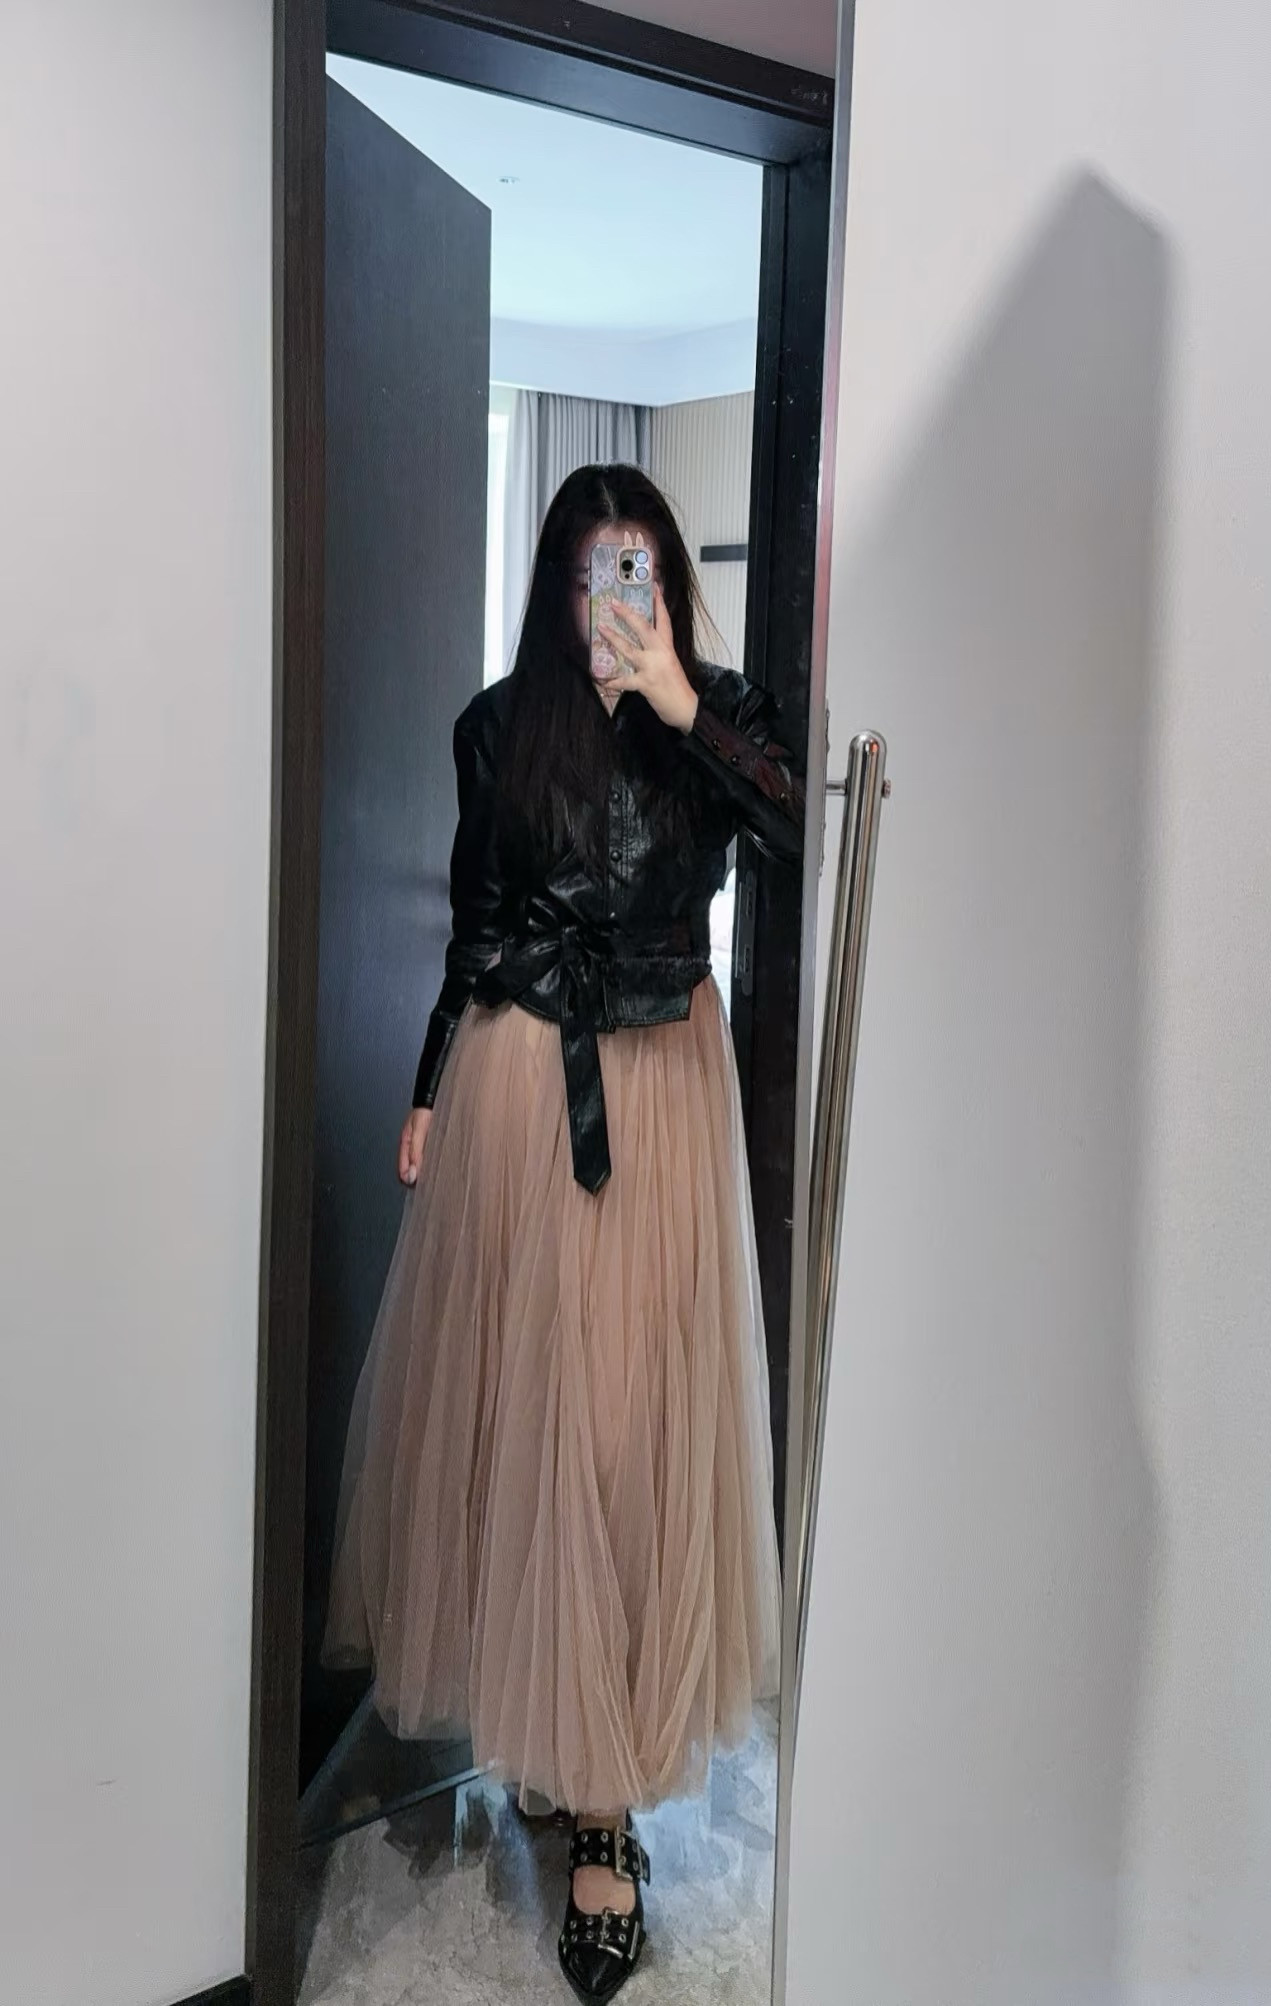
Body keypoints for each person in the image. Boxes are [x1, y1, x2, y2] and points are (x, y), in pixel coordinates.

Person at [323, 463, 803, 2000]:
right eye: (598, 570)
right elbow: (474, 920)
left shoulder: (721, 714)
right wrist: (426, 1085)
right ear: (559, 583)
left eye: (641, 569)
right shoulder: (495, 724)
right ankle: (556, 1736)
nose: (620, 597)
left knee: (623, 1434)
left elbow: (791, 834)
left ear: (667, 582)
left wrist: (678, 702)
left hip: (659, 1090)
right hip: (523, 1080)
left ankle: (606, 1811)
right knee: (523, 1421)